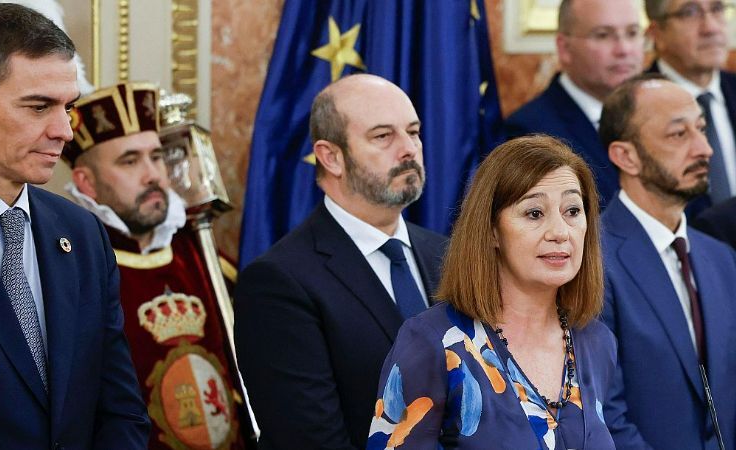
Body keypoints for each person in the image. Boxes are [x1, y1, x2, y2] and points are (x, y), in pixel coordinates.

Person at [0, 4, 149, 449]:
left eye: (68, 107)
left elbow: (120, 408)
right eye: (39, 107)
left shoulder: (84, 234)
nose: (65, 131)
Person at [234, 74, 447, 449]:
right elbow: (309, 440)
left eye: (413, 132)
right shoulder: (278, 282)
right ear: (331, 157)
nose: (409, 149)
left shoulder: (446, 254)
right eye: (383, 136)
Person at [368, 135, 615, 449]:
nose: (560, 232)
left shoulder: (597, 341)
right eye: (534, 213)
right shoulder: (432, 342)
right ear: (492, 231)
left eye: (573, 211)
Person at [65, 82, 254, 449]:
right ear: (86, 183)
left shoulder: (206, 260)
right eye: (130, 161)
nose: (152, 174)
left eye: (156, 156)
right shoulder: (73, 272)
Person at [598, 73, 736, 449]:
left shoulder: (721, 258)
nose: (704, 149)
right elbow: (604, 414)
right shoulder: (592, 259)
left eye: (701, 129)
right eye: (678, 134)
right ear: (626, 156)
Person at [505, 0, 644, 208]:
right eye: (603, 35)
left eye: (632, 33)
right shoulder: (530, 133)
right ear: (565, 48)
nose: (624, 49)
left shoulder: (657, 114)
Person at [646, 0, 736, 207]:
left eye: (717, 9)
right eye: (690, 13)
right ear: (657, 33)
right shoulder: (632, 108)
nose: (711, 28)